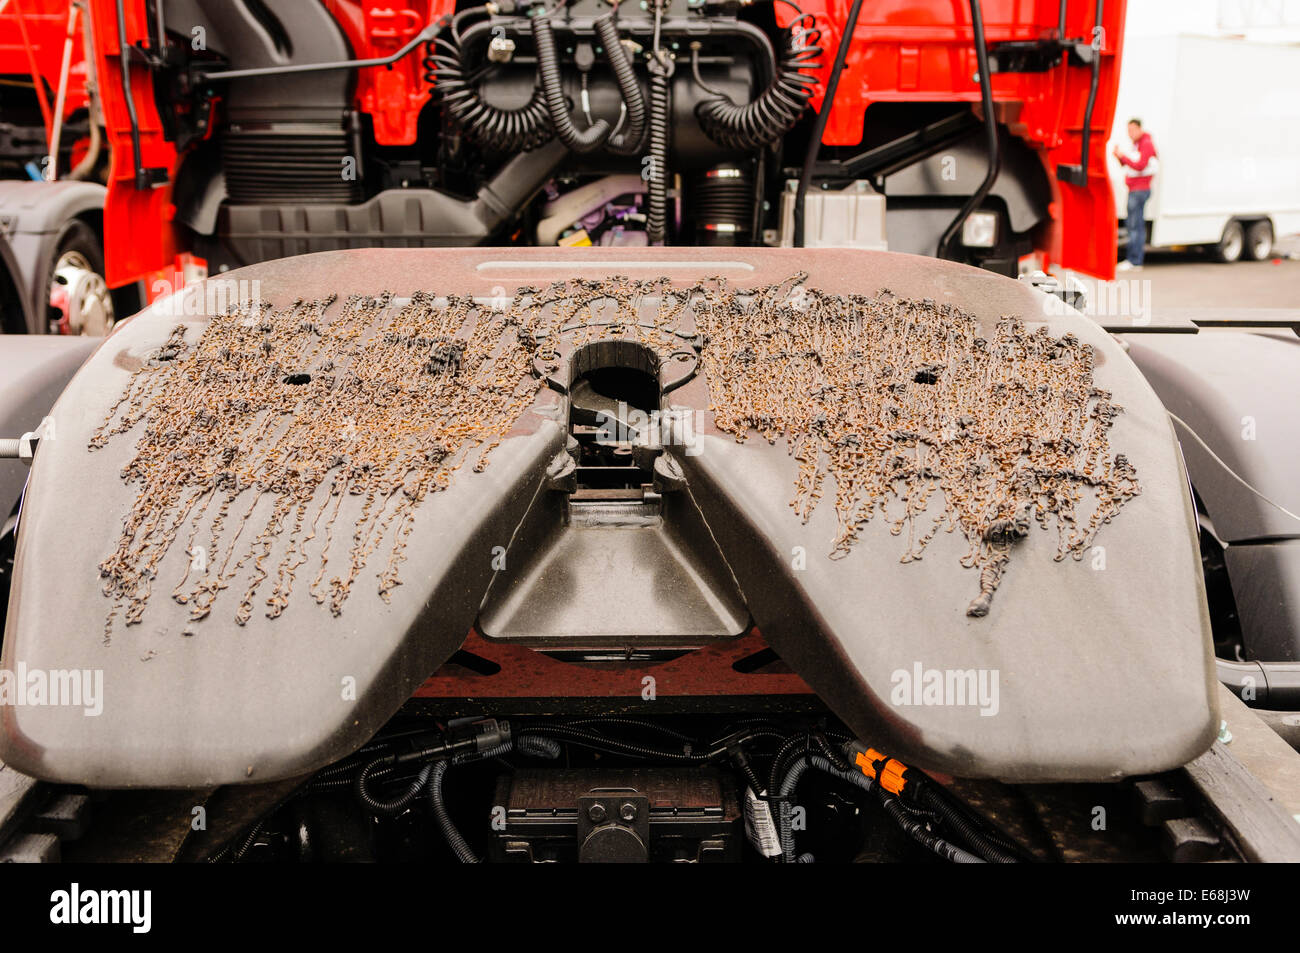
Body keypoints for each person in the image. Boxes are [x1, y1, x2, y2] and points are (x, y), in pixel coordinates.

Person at [1113, 118, 1158, 271]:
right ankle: (1134, 259)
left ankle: (1135, 260)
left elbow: (1140, 165)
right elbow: (1131, 166)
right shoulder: (1137, 145)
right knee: (1134, 224)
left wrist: (1123, 157)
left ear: (1139, 129)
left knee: (1135, 226)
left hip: (1140, 190)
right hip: (1135, 189)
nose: (1130, 134)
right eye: (1128, 131)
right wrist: (1120, 157)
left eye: (1132, 130)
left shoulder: (1146, 144)